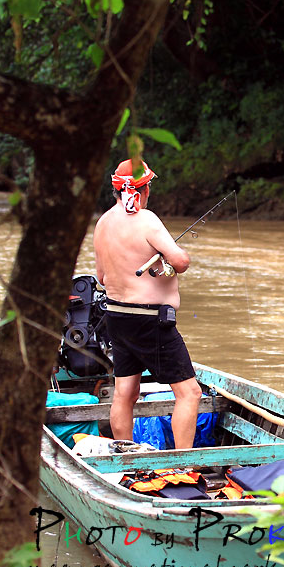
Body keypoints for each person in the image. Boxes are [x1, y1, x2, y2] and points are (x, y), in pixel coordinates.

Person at [93, 158, 203, 449]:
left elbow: (101, 277)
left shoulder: (102, 223)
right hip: (150, 320)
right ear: (142, 189)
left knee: (124, 392)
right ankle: (183, 465)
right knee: (190, 393)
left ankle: (128, 460)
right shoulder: (146, 219)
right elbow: (180, 262)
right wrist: (174, 259)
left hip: (116, 316)